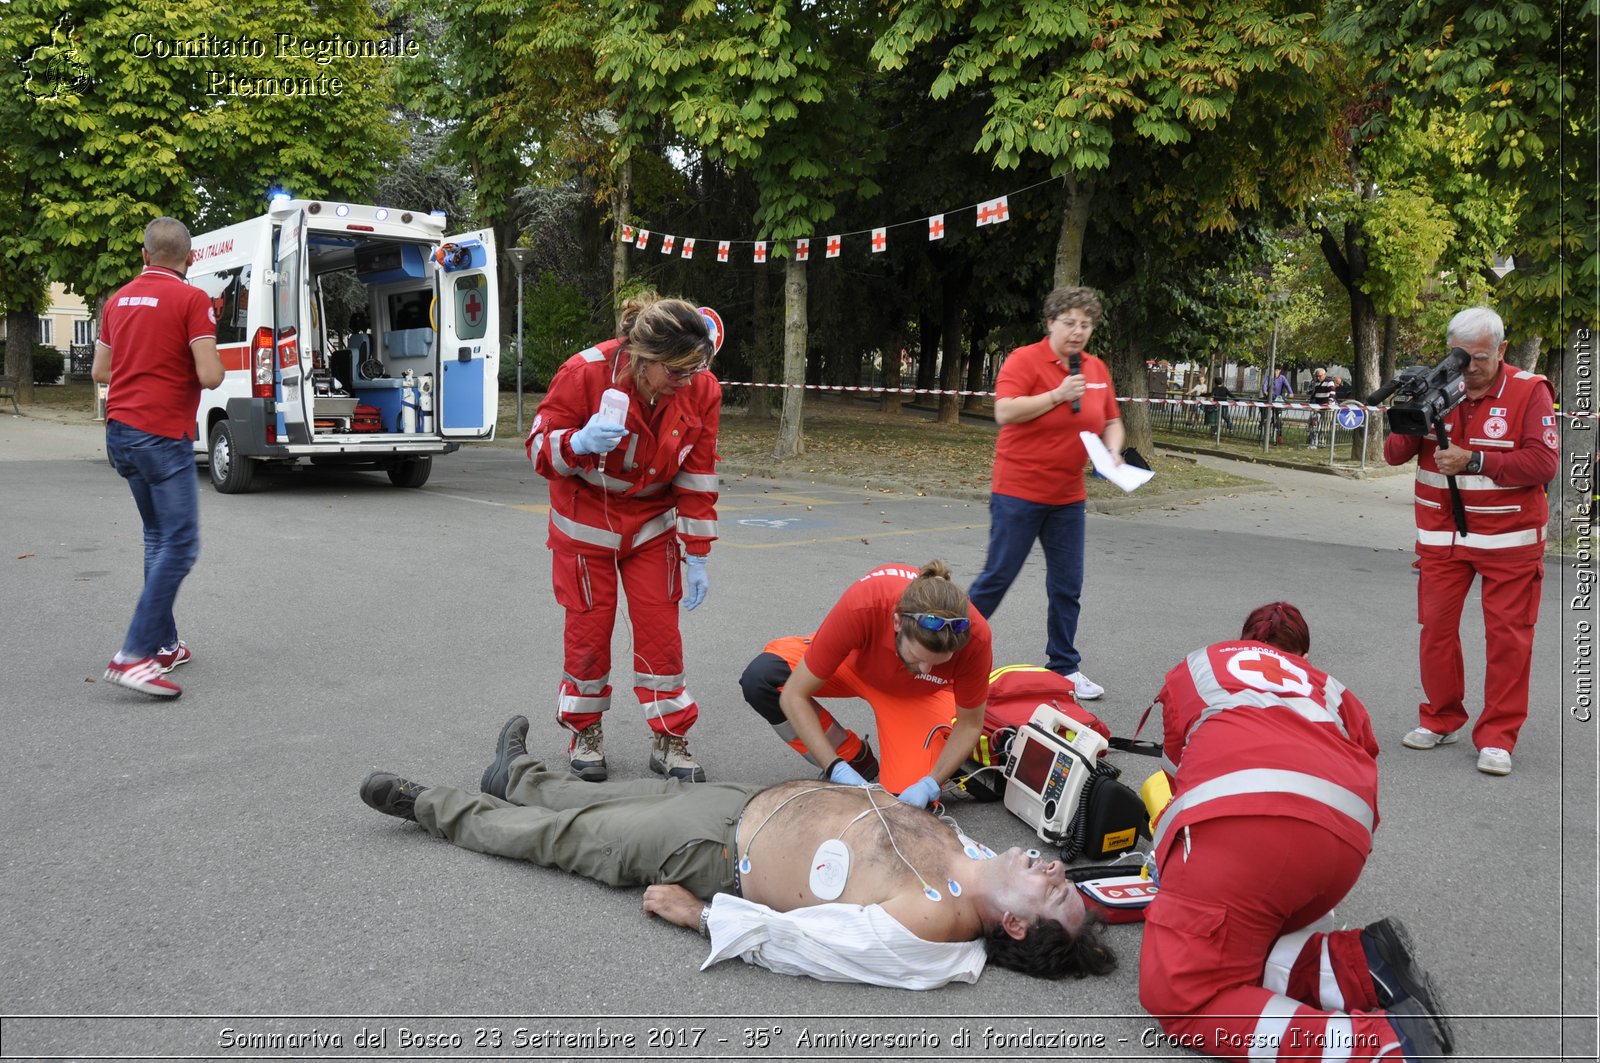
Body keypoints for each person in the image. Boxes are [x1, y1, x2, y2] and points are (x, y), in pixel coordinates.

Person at [358, 715, 1116, 989]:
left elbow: (809, 947)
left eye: (1054, 892)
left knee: (563, 838)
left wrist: (700, 917)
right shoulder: (980, 857)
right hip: (740, 799)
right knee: (602, 800)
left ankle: (430, 805)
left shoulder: (930, 930)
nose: (1052, 868)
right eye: (1060, 874)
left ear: (1016, 927)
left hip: (714, 854)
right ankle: (517, 774)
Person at [1138, 603, 1454, 1062]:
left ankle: (1383, 1045)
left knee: (1184, 996)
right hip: (1340, 844)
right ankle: (1363, 966)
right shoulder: (1333, 691)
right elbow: (1362, 758)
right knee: (1243, 945)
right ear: (1302, 653)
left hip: (1242, 830)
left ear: (1243, 638)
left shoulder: (1199, 667)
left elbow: (1173, 778)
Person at [527, 293, 720, 783]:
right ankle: (584, 729)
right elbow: (537, 447)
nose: (685, 384)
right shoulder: (584, 373)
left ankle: (670, 737)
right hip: (586, 519)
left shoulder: (702, 389)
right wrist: (578, 442)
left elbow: (698, 474)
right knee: (589, 630)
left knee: (661, 632)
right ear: (643, 358)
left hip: (653, 522)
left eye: (693, 372)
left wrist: (696, 552)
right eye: (676, 373)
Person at [1383, 306, 1558, 776]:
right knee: (1436, 632)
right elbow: (1393, 455)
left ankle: (1498, 737)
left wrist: (1475, 461)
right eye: (1461, 356)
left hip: (1510, 541)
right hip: (1442, 539)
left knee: (1508, 640)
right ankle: (1442, 718)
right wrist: (1410, 408)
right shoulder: (1442, 386)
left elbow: (1544, 465)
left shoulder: (1529, 391)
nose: (1471, 366)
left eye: (1480, 357)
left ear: (1502, 349)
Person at [966, 286, 1123, 698]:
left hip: (1068, 496)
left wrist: (1113, 450)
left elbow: (1111, 419)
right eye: (1069, 322)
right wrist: (1056, 395)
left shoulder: (1095, 368)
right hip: (1019, 490)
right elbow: (1005, 411)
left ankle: (1064, 668)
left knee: (1067, 584)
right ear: (1050, 322)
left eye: (1085, 324)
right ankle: (944, 649)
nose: (1077, 331)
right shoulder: (1024, 360)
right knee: (997, 577)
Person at [92, 217, 225, 699]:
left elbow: (100, 371)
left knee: (157, 536)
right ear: (190, 259)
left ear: (145, 256)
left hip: (121, 432)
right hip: (161, 434)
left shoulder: (117, 300)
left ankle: (165, 644)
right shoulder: (193, 300)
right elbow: (209, 375)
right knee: (183, 544)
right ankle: (133, 654)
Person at [739, 561, 992, 803]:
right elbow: (794, 695)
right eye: (917, 657)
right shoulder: (866, 602)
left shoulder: (976, 637)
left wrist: (933, 782)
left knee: (900, 804)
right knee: (761, 679)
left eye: (939, 663)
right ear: (896, 622)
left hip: (919, 696)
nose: (924, 668)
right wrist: (835, 766)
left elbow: (970, 724)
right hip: (852, 668)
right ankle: (853, 759)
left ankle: (937, 758)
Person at [1306, 367, 1339, 447]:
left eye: (1319, 376)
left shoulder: (1329, 382)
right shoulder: (1316, 383)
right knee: (1314, 424)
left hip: (1327, 407)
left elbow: (1332, 392)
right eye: (1317, 376)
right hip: (1318, 407)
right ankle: (1313, 441)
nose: (1318, 377)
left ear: (1324, 375)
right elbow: (1315, 393)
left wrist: (1330, 401)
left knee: (1325, 426)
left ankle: (1322, 442)